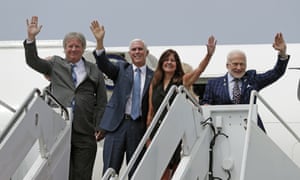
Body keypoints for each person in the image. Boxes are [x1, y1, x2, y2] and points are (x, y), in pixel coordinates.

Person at [24, 16, 107, 180]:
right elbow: (33, 61)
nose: (73, 49)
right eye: (70, 46)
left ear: (83, 48)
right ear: (64, 49)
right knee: (61, 175)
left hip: (85, 131)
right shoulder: (55, 64)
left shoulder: (94, 70)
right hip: (59, 129)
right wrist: (31, 38)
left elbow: (102, 101)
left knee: (82, 175)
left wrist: (100, 125)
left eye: (77, 46)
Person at [90, 20, 154, 178]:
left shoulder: (154, 76)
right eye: (134, 50)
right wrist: (99, 42)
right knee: (110, 170)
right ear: (130, 53)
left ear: (146, 52)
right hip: (116, 126)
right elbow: (104, 64)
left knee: (137, 171)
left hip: (139, 127)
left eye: (140, 49)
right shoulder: (121, 69)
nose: (137, 52)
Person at [147, 36, 217, 180]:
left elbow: (199, 70)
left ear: (177, 64)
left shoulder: (182, 81)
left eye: (172, 60)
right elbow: (150, 112)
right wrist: (148, 137)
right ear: (161, 63)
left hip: (176, 131)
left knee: (176, 167)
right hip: (157, 131)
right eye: (166, 60)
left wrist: (209, 55)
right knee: (160, 169)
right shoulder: (154, 84)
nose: (169, 62)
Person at [200, 32, 290, 132]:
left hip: (250, 130)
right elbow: (205, 105)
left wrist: (282, 53)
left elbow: (276, 73)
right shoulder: (213, 84)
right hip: (223, 132)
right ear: (227, 65)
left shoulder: (252, 79)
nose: (239, 68)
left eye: (242, 64)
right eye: (235, 64)